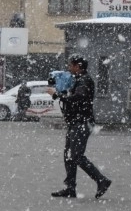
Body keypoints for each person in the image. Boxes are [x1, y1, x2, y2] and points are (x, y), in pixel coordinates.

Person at [46, 54, 111, 199]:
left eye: (71, 65)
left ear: (78, 66)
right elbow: (71, 96)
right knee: (69, 156)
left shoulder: (85, 80)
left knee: (76, 156)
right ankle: (70, 188)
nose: (69, 68)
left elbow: (77, 98)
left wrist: (57, 95)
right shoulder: (77, 80)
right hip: (75, 122)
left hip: (82, 123)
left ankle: (102, 180)